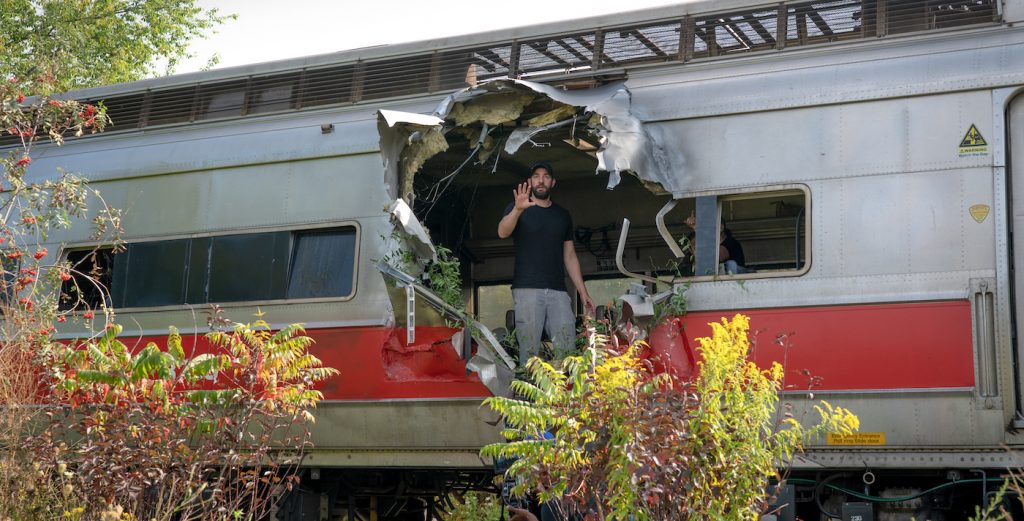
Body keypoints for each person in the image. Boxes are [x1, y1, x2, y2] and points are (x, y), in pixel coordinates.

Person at [498, 162, 594, 364]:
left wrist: (582, 291)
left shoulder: (562, 215)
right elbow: (502, 232)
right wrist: (517, 209)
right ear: (530, 182)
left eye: (546, 176)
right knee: (529, 351)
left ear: (553, 182)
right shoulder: (518, 208)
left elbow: (569, 255)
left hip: (558, 291)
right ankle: (528, 395)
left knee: (567, 348)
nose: (541, 180)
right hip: (527, 289)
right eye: (536, 176)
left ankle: (563, 395)